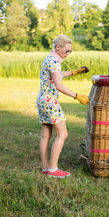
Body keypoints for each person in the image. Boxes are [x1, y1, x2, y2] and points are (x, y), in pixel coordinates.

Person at [36, 34, 90, 178]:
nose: (68, 54)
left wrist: (74, 72)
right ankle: (53, 170)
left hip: (42, 99)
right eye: (67, 51)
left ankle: (45, 168)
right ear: (58, 47)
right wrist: (77, 96)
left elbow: (57, 75)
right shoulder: (54, 61)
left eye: (70, 51)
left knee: (46, 135)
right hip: (50, 101)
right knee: (63, 133)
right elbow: (58, 85)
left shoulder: (50, 58)